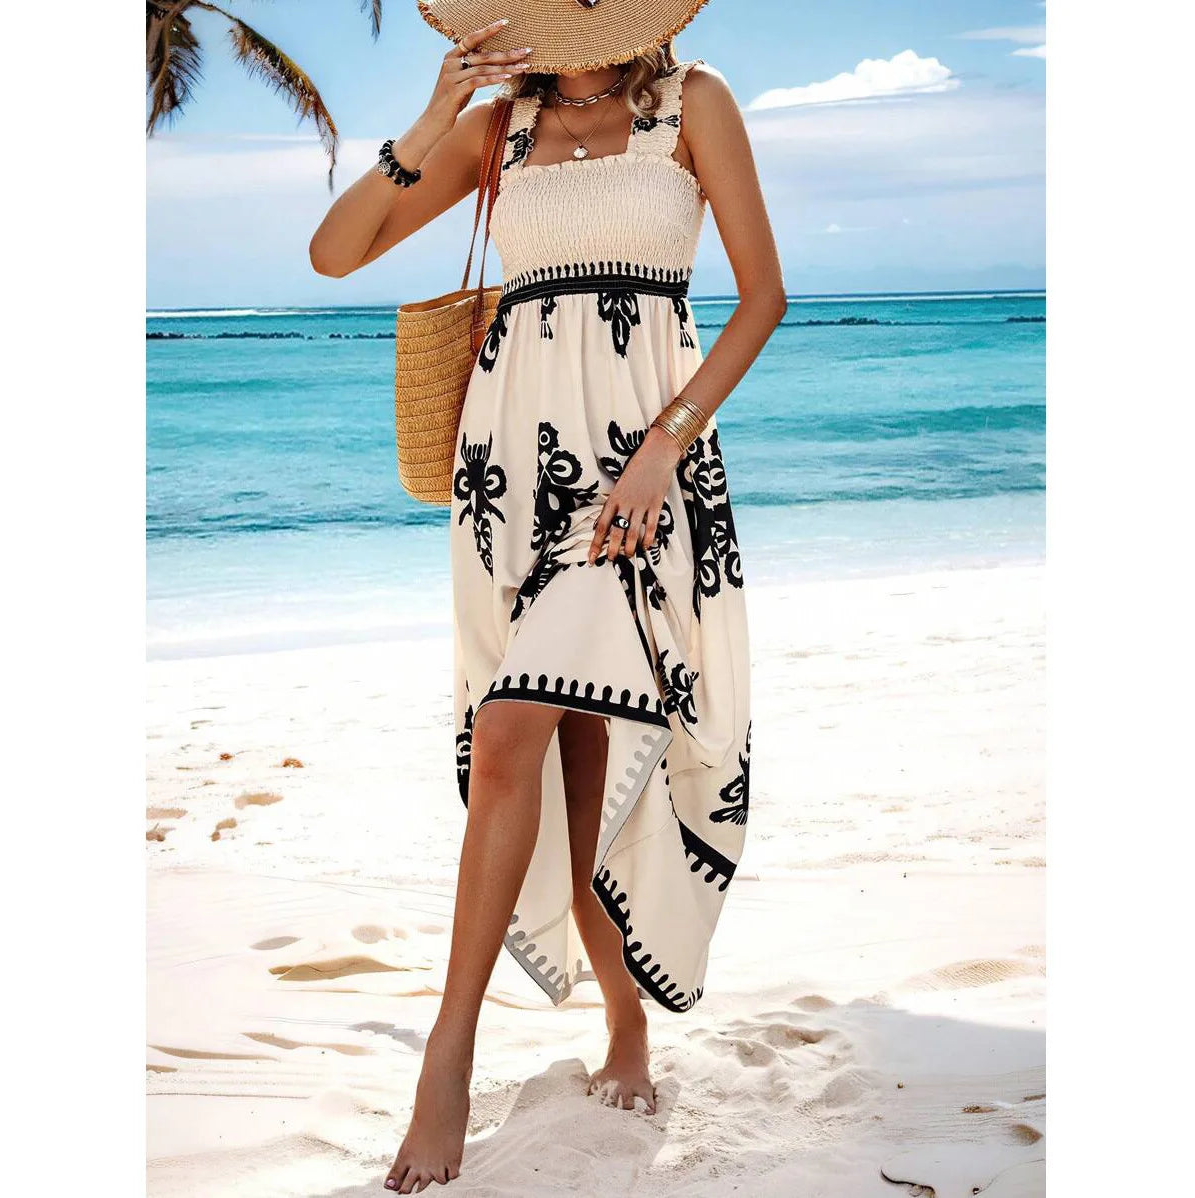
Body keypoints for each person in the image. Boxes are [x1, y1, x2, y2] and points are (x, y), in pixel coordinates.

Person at [309, 0, 786, 1190]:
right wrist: (432, 112)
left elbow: (762, 296)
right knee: (564, 765)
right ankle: (619, 1022)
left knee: (514, 726)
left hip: (643, 468)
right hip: (509, 473)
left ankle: (447, 1054)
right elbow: (336, 250)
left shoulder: (694, 107)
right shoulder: (491, 132)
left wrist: (667, 443)